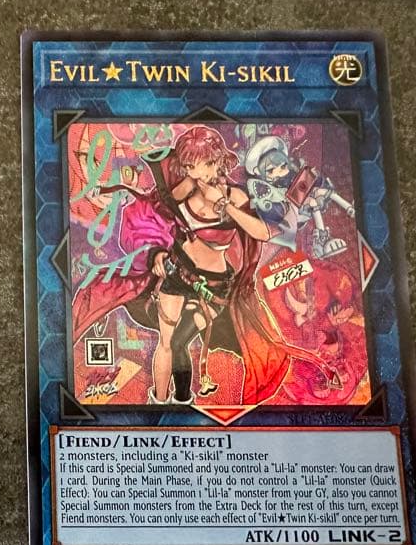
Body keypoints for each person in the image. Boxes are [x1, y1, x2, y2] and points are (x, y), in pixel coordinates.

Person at [72, 125, 335, 405]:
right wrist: (156, 254)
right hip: (178, 274)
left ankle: (182, 400)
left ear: (217, 160)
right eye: (192, 165)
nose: (202, 171)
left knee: (179, 342)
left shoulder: (236, 196)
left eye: (206, 163)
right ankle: (158, 402)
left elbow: (262, 232)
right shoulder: (181, 191)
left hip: (214, 286)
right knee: (165, 342)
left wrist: (224, 205)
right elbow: (154, 219)